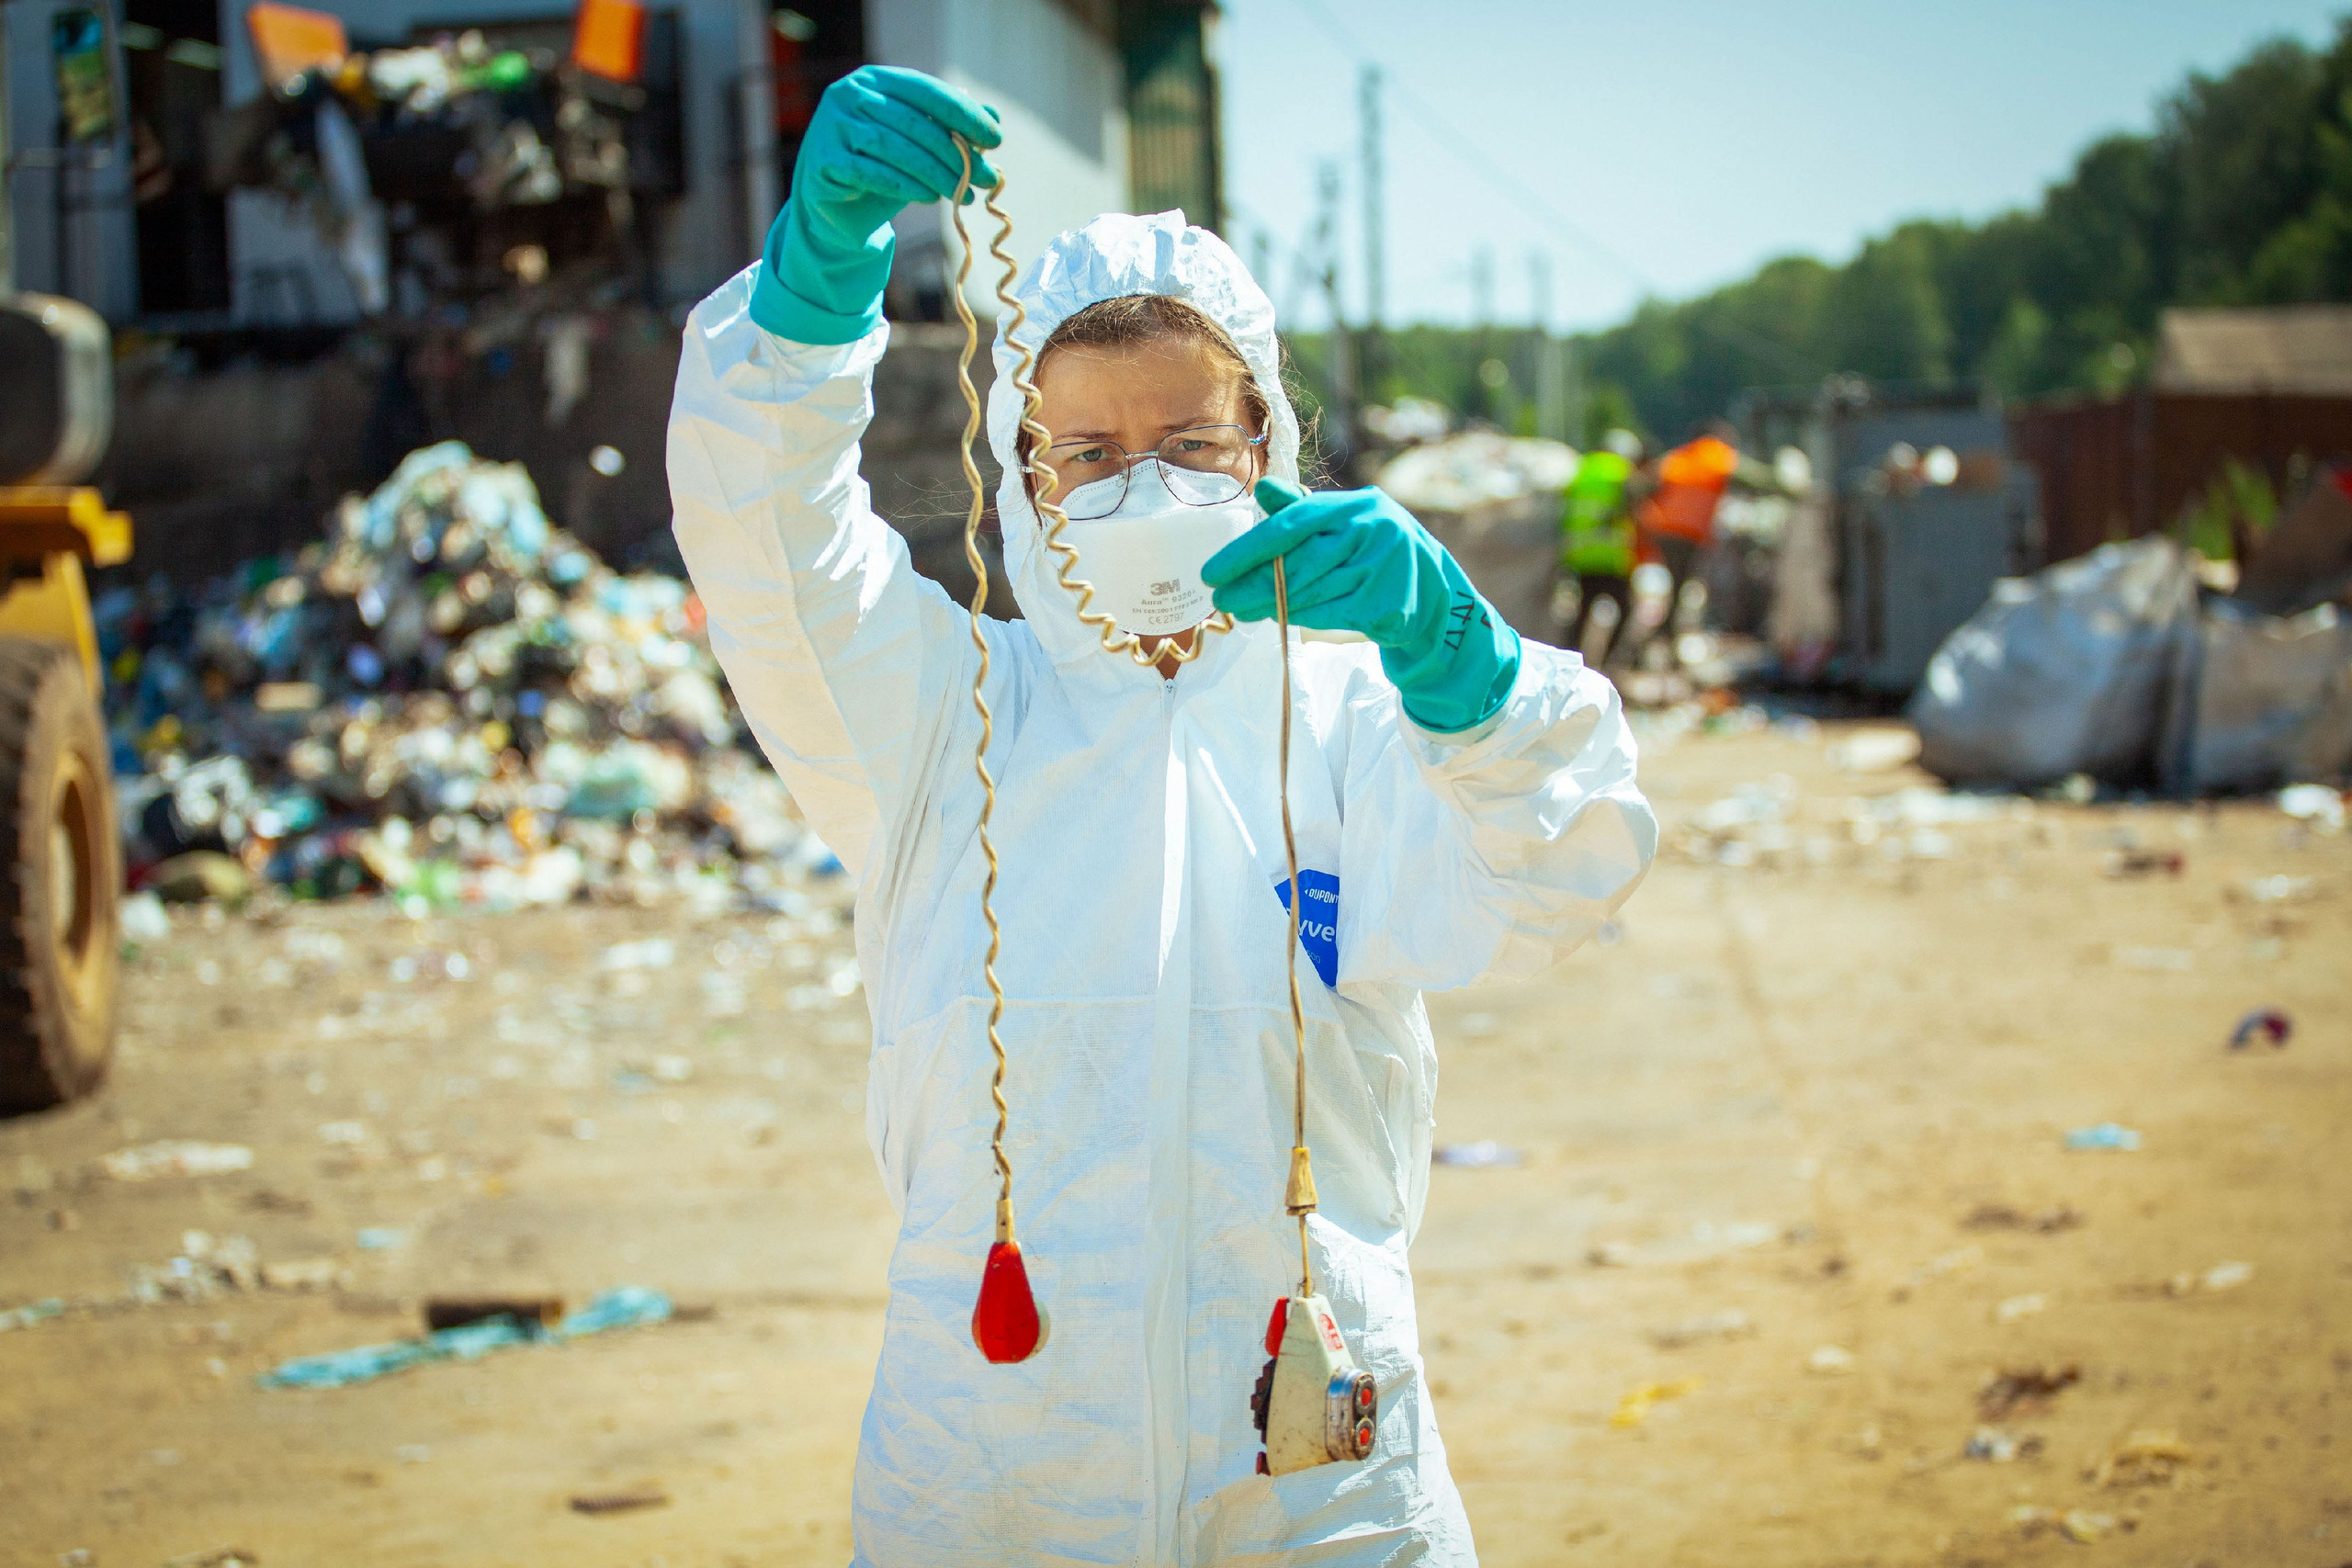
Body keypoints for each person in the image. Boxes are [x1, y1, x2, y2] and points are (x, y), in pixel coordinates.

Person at [668, 65, 1656, 1566]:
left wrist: (1466, 662)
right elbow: (770, 550)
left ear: (1266, 445)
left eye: (1191, 449)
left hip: (1320, 1472)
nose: (1143, 493)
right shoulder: (941, 718)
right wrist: (813, 290)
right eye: (1091, 455)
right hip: (996, 1467)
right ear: (1025, 468)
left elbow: (1558, 883)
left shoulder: (1350, 724)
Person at [1558, 428, 1645, 665]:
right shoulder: (1621, 471)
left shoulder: (1582, 469)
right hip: (1611, 557)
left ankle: (1570, 660)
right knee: (1625, 609)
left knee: (1582, 611)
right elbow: (1635, 505)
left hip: (1581, 555)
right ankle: (1607, 662)